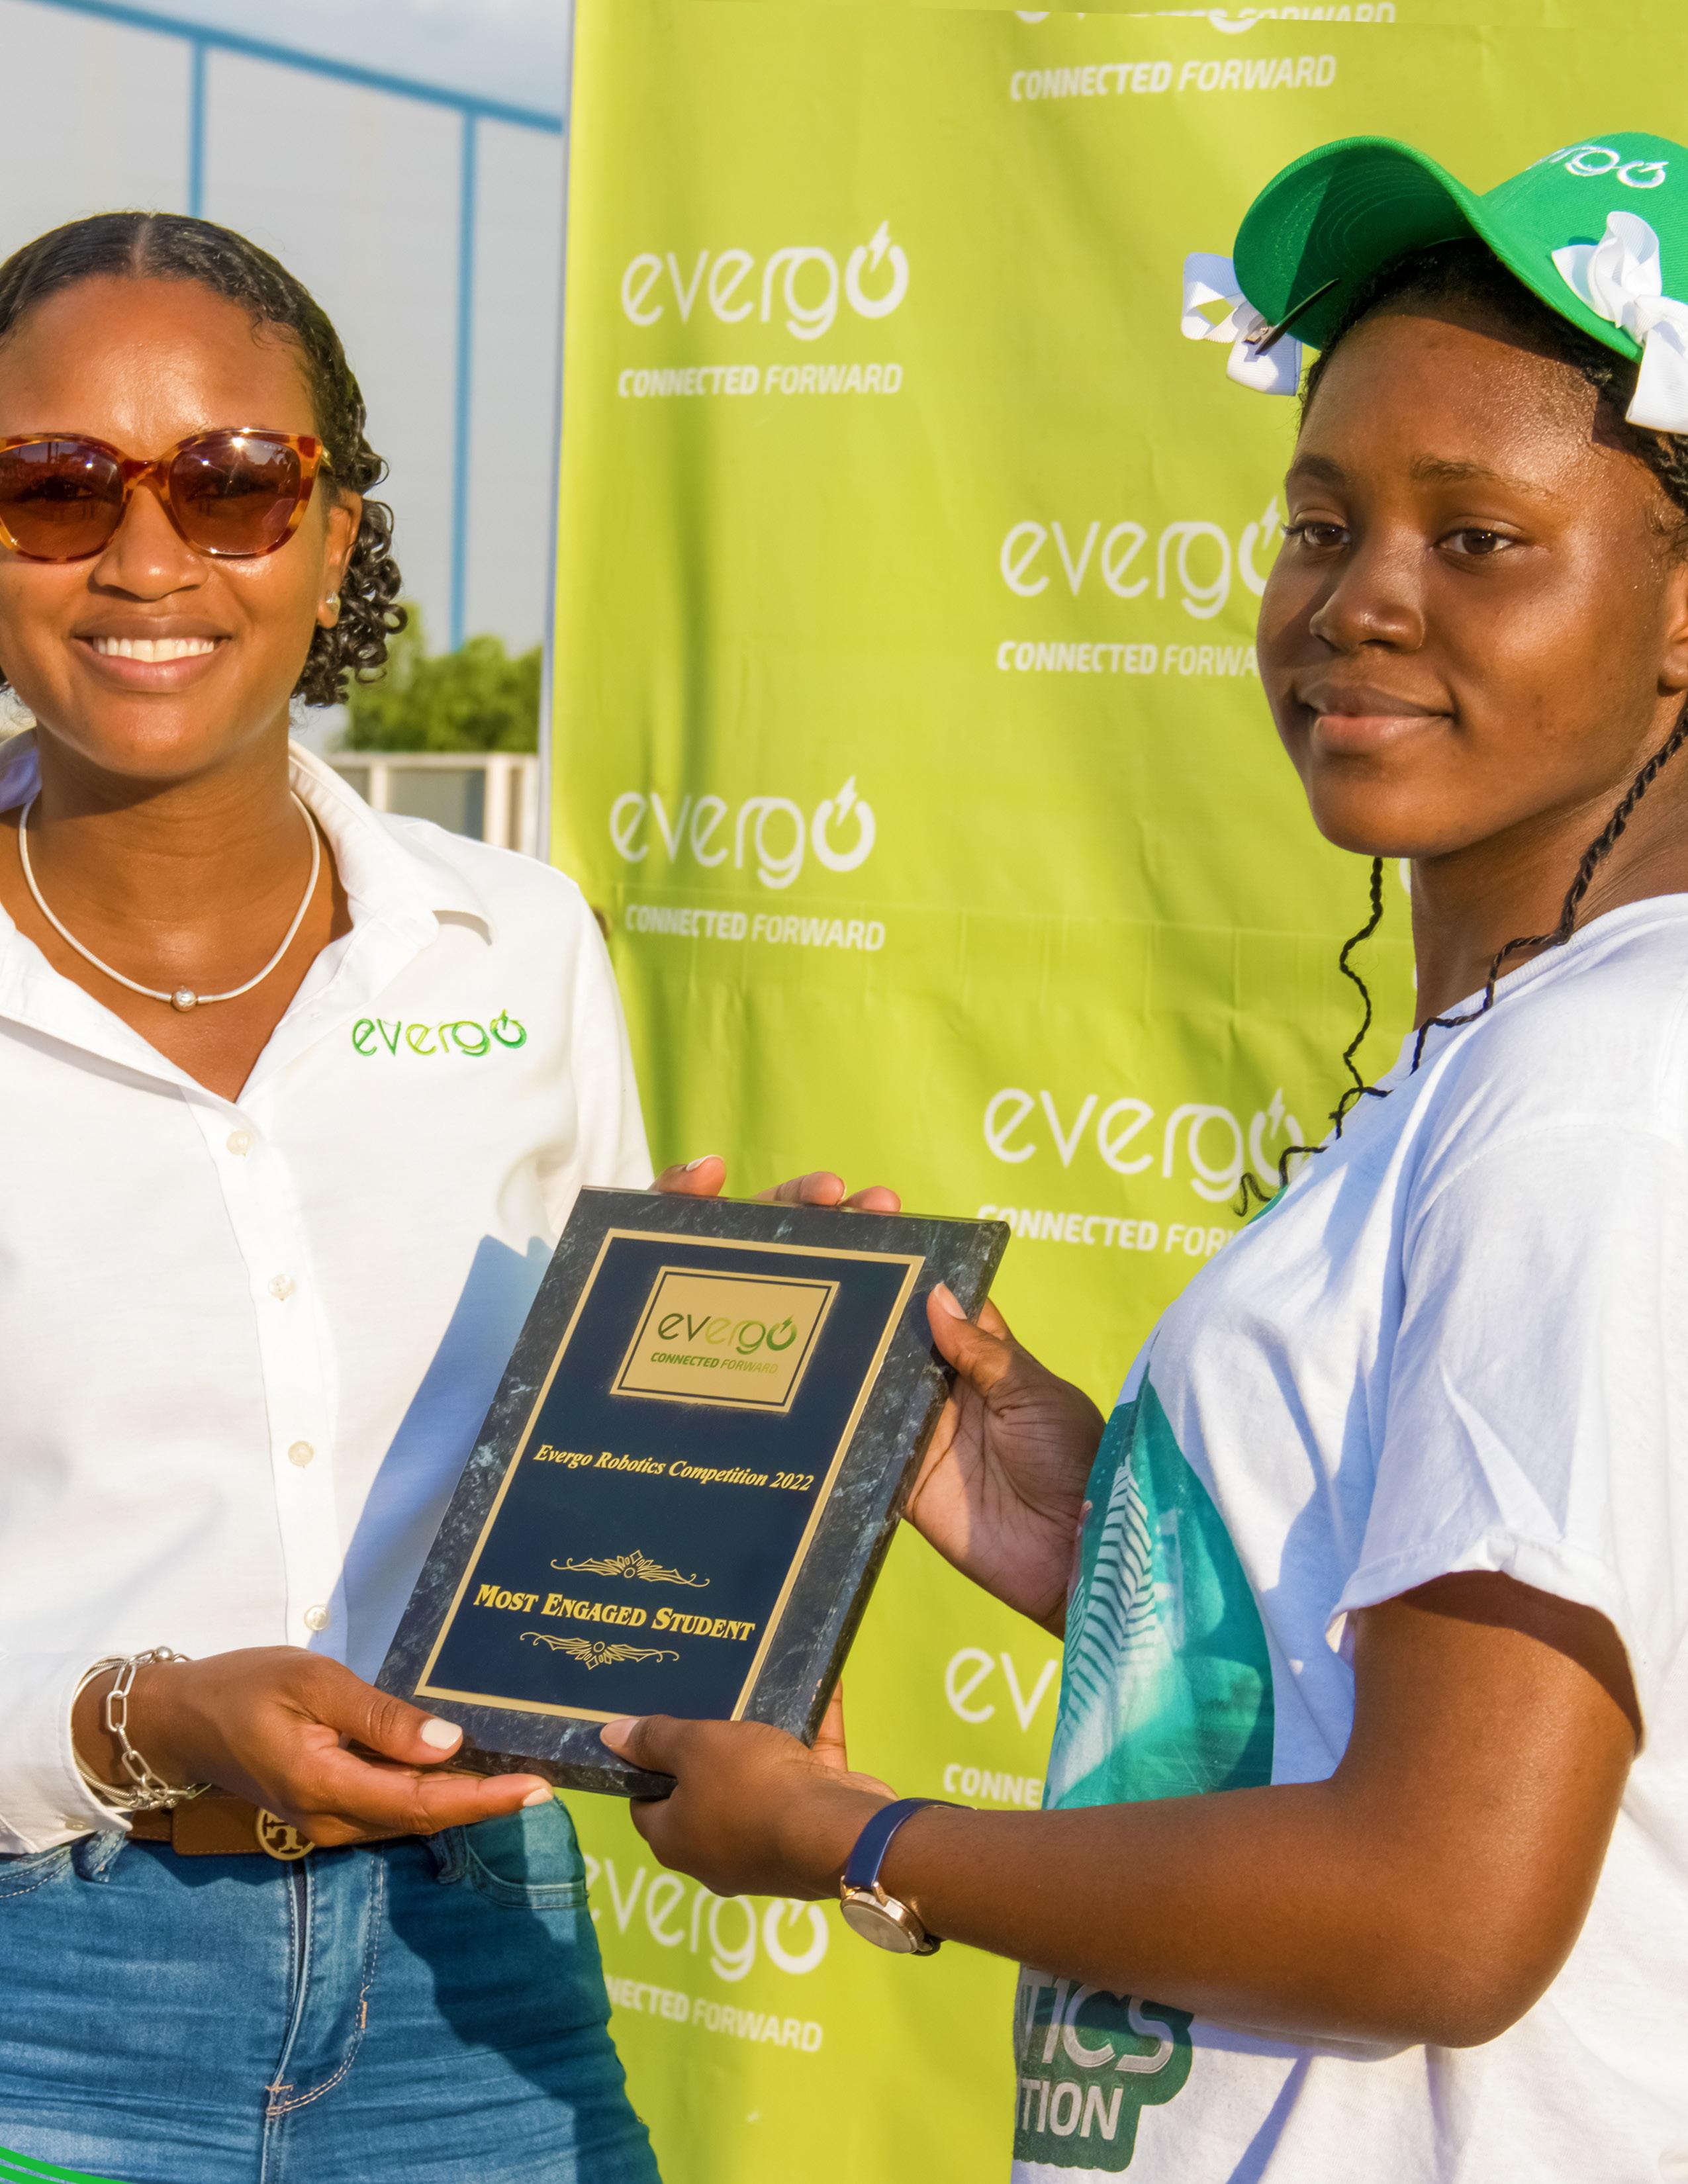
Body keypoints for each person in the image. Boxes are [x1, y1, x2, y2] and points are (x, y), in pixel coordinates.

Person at [602, 132, 1688, 2181]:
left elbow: (1444, 1907)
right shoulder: (1529, 1050)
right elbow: (1477, 1716)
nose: (1360, 600)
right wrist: (1102, 1530)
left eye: (1477, 539)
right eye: (1320, 523)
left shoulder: (1600, 1081)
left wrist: (855, 1836)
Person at [0, 209, 891, 2184]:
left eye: (234, 482)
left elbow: (612, 1479)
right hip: (38, 1990)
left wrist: (757, 1488)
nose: (145, 557)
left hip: (475, 1974)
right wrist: (141, 1716)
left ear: (334, 539)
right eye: (52, 484)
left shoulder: (522, 944)